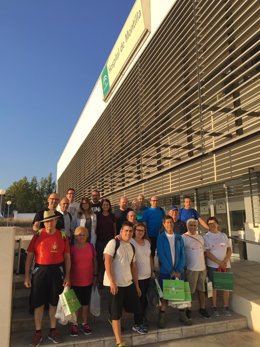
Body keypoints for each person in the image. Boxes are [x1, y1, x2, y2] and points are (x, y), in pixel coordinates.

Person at [24, 210, 71, 347]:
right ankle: (38, 331)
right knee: (38, 304)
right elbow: (29, 257)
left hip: (57, 271)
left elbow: (67, 257)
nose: (49, 223)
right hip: (40, 271)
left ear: (56, 221)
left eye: (52, 220)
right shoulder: (38, 235)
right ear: (44, 223)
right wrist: (27, 275)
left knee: (53, 302)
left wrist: (68, 275)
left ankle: (53, 330)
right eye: (47, 221)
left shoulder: (63, 236)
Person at [103, 221, 146, 347]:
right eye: (125, 230)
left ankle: (114, 318)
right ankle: (119, 341)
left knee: (134, 307)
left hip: (128, 284)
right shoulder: (113, 243)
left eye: (130, 231)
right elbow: (107, 262)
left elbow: (133, 267)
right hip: (114, 284)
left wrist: (136, 285)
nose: (128, 233)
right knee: (116, 313)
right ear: (121, 231)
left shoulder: (131, 246)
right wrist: (112, 282)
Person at [156, 216, 190, 328]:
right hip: (166, 272)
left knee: (181, 294)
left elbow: (182, 254)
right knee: (165, 296)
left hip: (179, 272)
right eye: (167, 223)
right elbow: (161, 255)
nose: (169, 224)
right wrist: (171, 271)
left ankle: (182, 316)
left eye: (171, 222)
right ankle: (161, 318)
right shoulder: (161, 238)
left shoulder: (179, 237)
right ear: (163, 224)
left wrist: (179, 269)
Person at [69, 226, 97, 337]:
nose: (81, 237)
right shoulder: (71, 248)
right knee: (74, 305)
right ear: (75, 236)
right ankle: (74, 324)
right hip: (74, 281)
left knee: (85, 303)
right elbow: (68, 264)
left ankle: (84, 323)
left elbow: (95, 261)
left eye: (83, 234)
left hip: (88, 280)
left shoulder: (90, 247)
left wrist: (95, 276)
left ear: (87, 236)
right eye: (78, 235)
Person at [204, 216, 232, 317]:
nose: (212, 225)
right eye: (209, 224)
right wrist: (218, 262)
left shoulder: (223, 235)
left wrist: (224, 260)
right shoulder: (206, 237)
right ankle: (214, 307)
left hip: (225, 265)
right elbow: (207, 253)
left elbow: (229, 249)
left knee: (226, 287)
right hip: (213, 266)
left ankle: (225, 306)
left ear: (217, 224)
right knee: (214, 287)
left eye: (213, 223)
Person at [182, 219, 210, 320]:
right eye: (191, 225)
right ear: (187, 226)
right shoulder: (183, 237)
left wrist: (205, 266)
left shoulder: (201, 237)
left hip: (202, 268)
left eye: (194, 225)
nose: (193, 227)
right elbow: (181, 253)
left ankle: (202, 308)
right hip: (190, 268)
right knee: (189, 291)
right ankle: (188, 309)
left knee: (201, 290)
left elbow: (204, 253)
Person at [130, 223, 153, 329]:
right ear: (134, 230)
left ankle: (143, 318)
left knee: (145, 300)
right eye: (138, 230)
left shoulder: (147, 242)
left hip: (148, 276)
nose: (140, 232)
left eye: (142, 231)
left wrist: (152, 271)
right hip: (137, 277)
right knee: (138, 301)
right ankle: (137, 322)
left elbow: (150, 257)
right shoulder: (131, 242)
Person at [96, 198, 116, 287]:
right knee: (101, 261)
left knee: (110, 261)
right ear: (101, 206)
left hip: (110, 242)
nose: (105, 206)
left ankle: (110, 279)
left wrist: (115, 240)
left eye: (107, 205)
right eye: (104, 205)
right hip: (100, 241)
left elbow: (114, 228)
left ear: (109, 206)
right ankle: (100, 281)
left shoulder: (112, 216)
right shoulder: (98, 216)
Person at [143, 196, 164, 267]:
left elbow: (164, 222)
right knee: (151, 254)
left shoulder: (161, 211)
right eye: (153, 200)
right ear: (150, 201)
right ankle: (152, 270)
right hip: (151, 236)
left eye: (156, 200)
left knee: (161, 254)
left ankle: (162, 270)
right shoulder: (147, 212)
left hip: (160, 236)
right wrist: (146, 236)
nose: (155, 202)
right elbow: (144, 225)